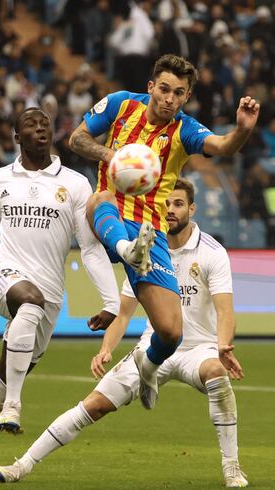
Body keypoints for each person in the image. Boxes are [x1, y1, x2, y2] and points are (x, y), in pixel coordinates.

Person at [0, 178, 248, 488]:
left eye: (178, 204)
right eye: (165, 203)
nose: (170, 210)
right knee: (93, 405)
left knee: (216, 372)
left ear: (192, 208)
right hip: (152, 349)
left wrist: (223, 345)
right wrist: (106, 349)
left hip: (199, 350)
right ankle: (23, 464)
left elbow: (224, 310)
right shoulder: (147, 248)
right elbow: (124, 313)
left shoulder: (211, 252)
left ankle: (231, 467)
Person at [0, 107, 120, 467]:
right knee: (29, 303)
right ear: (17, 137)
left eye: (44, 123)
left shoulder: (75, 183)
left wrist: (111, 301)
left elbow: (89, 247)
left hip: (49, 293)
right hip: (4, 271)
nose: (40, 128)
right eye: (30, 124)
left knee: (3, 379)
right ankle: (14, 406)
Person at [68, 53, 260, 410]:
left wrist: (243, 131)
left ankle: (148, 366)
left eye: (179, 93)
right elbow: (76, 140)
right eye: (165, 90)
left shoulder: (184, 130)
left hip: (149, 235)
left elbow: (221, 145)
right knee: (96, 199)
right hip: (110, 221)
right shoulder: (120, 104)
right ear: (151, 87)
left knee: (171, 332)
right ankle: (125, 249)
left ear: (186, 97)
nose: (170, 99)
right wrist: (112, 156)